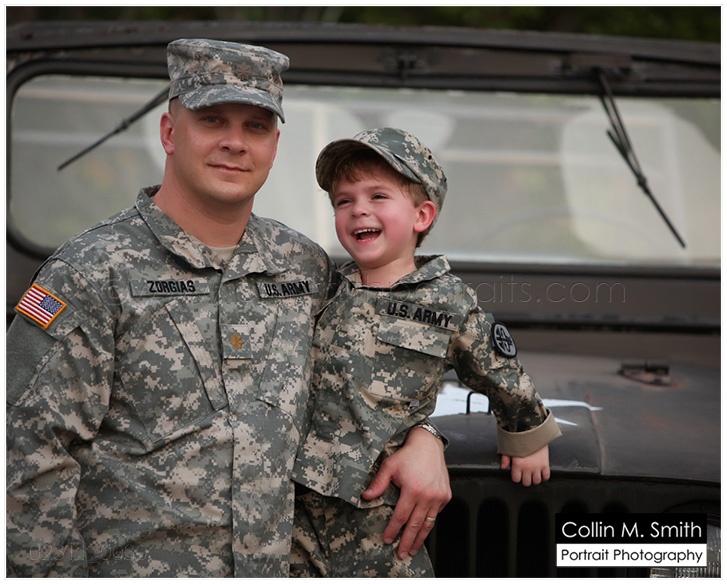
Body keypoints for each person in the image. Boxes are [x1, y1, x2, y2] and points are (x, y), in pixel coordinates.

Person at [6, 39, 449, 578]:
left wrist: (425, 437)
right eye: (212, 120)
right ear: (170, 133)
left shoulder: (302, 267)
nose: (235, 143)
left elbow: (366, 375)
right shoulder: (92, 272)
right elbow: (24, 458)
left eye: (256, 126)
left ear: (274, 145)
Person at [290, 128, 562, 577]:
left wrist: (526, 432)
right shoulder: (324, 290)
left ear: (422, 215)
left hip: (378, 506)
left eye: (378, 196)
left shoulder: (445, 301)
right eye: (343, 201)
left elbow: (498, 368)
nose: (358, 209)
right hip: (297, 504)